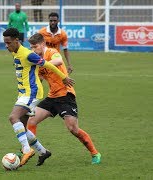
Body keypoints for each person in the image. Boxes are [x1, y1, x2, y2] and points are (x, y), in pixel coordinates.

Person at [3, 28, 74, 167]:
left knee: (13, 117)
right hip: (24, 93)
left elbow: (48, 64)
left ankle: (26, 150)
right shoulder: (15, 51)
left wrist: (64, 77)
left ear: (16, 41)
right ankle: (43, 151)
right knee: (22, 127)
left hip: (32, 93)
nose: (6, 45)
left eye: (9, 42)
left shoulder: (28, 54)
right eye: (5, 43)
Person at [27, 33, 101, 165]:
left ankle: (95, 153)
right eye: (31, 47)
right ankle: (36, 151)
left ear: (43, 44)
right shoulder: (37, 60)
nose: (33, 50)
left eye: (35, 47)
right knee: (31, 121)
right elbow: (40, 80)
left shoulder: (51, 52)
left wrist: (43, 63)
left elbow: (59, 61)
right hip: (52, 97)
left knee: (73, 129)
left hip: (66, 95)